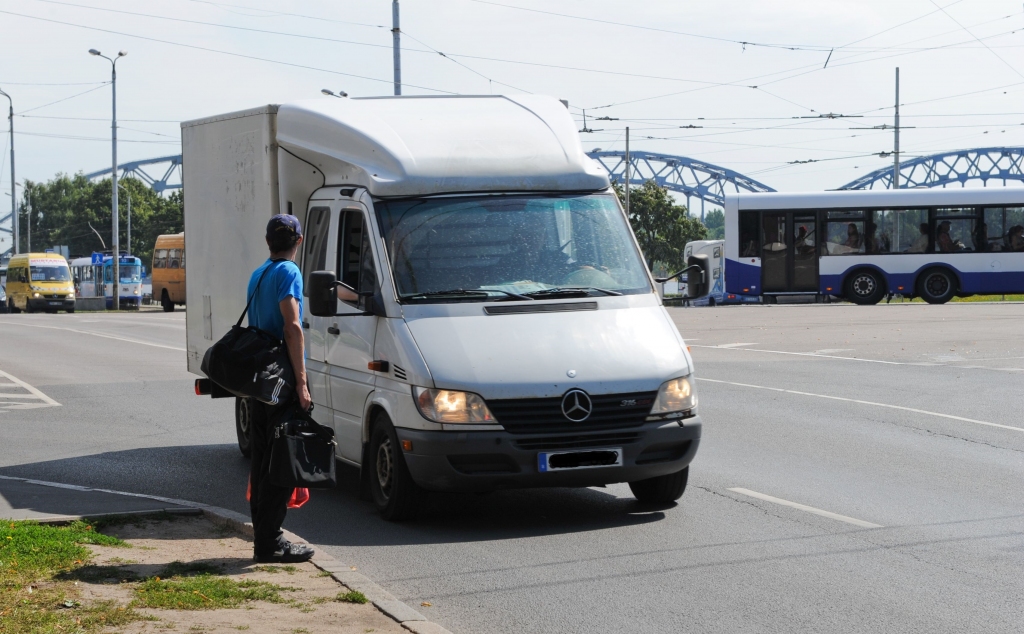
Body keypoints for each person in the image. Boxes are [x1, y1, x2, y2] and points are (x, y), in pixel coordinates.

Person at [246, 214, 356, 564]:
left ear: (268, 242)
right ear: (300, 240)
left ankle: (263, 539)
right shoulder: (288, 273)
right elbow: (292, 327)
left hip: (260, 379)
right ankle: (271, 542)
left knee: (263, 461)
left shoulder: (258, 273)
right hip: (282, 379)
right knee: (279, 464)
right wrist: (303, 383)